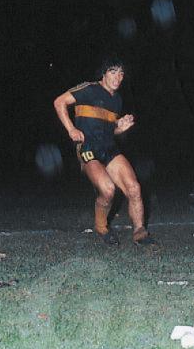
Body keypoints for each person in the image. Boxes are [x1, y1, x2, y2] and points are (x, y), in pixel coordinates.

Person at [53, 58, 154, 246]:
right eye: (113, 71)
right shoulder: (89, 89)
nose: (118, 77)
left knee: (134, 187)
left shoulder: (117, 100)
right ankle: (101, 227)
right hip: (88, 149)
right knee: (108, 190)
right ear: (104, 73)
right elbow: (59, 102)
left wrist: (119, 127)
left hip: (109, 148)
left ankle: (140, 232)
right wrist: (71, 129)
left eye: (121, 73)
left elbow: (109, 129)